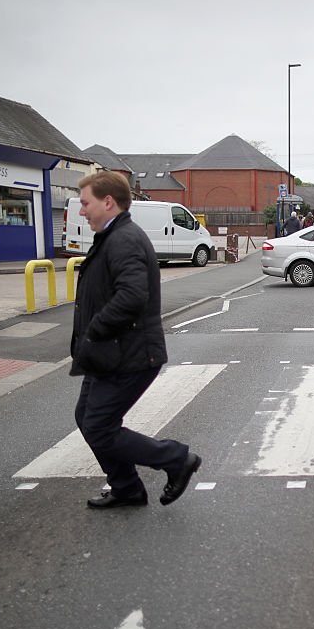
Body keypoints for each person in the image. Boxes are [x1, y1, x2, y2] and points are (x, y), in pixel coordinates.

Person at [71, 171, 201, 509]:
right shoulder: (112, 235)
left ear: (108, 202)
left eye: (86, 203)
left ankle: (175, 459)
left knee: (99, 427)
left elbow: (132, 296)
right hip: (111, 353)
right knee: (87, 418)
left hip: (128, 354)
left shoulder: (124, 239)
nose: (82, 211)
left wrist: (94, 330)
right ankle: (127, 487)